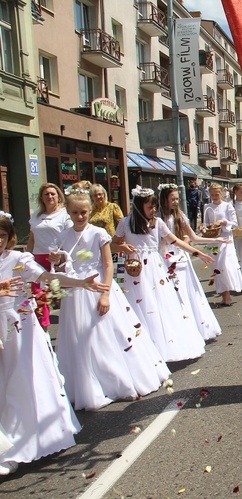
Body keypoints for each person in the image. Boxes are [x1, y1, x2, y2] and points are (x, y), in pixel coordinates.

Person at [0, 211, 109, 475]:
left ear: (10, 237)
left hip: (21, 331)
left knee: (21, 382)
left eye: (2, 236)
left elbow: (48, 278)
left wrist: (80, 282)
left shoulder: (18, 259)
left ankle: (19, 446)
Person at [53, 187, 170, 411]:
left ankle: (116, 379)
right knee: (78, 339)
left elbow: (107, 265)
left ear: (89, 211)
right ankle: (85, 384)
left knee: (106, 335)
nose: (80, 216)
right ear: (68, 211)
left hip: (99, 286)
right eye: (76, 212)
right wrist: (57, 261)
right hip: (75, 292)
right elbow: (62, 266)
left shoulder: (98, 233)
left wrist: (106, 294)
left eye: (84, 212)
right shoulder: (63, 236)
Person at [114, 186, 210, 362]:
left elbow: (176, 241)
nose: (153, 210)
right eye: (150, 207)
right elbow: (113, 245)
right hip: (133, 268)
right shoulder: (125, 223)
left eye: (154, 207)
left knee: (158, 304)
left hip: (154, 267)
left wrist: (196, 252)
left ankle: (162, 343)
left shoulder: (157, 223)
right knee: (137, 304)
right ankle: (142, 345)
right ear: (138, 206)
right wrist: (122, 247)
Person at [158, 184, 225, 340]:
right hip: (164, 259)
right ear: (164, 200)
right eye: (172, 199)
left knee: (187, 292)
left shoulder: (179, 216)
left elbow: (193, 237)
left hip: (180, 257)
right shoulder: (158, 218)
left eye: (176, 198)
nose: (175, 201)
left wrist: (215, 238)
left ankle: (193, 328)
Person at [27, 183, 72, 329]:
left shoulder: (65, 214)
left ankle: (70, 328)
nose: (50, 196)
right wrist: (27, 257)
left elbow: (70, 238)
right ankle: (43, 328)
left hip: (58, 260)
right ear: (41, 197)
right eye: (46, 194)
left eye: (53, 193)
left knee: (63, 296)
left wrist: (62, 259)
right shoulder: (36, 215)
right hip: (38, 259)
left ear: (59, 196)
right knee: (39, 296)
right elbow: (32, 238)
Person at [203, 183, 242, 306]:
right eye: (212, 195)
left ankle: (227, 294)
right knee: (217, 267)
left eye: (217, 194)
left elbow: (234, 223)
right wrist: (203, 227)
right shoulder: (207, 206)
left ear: (221, 194)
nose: (215, 197)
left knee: (225, 266)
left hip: (226, 240)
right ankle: (225, 295)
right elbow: (206, 223)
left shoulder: (227, 206)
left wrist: (223, 222)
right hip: (214, 240)